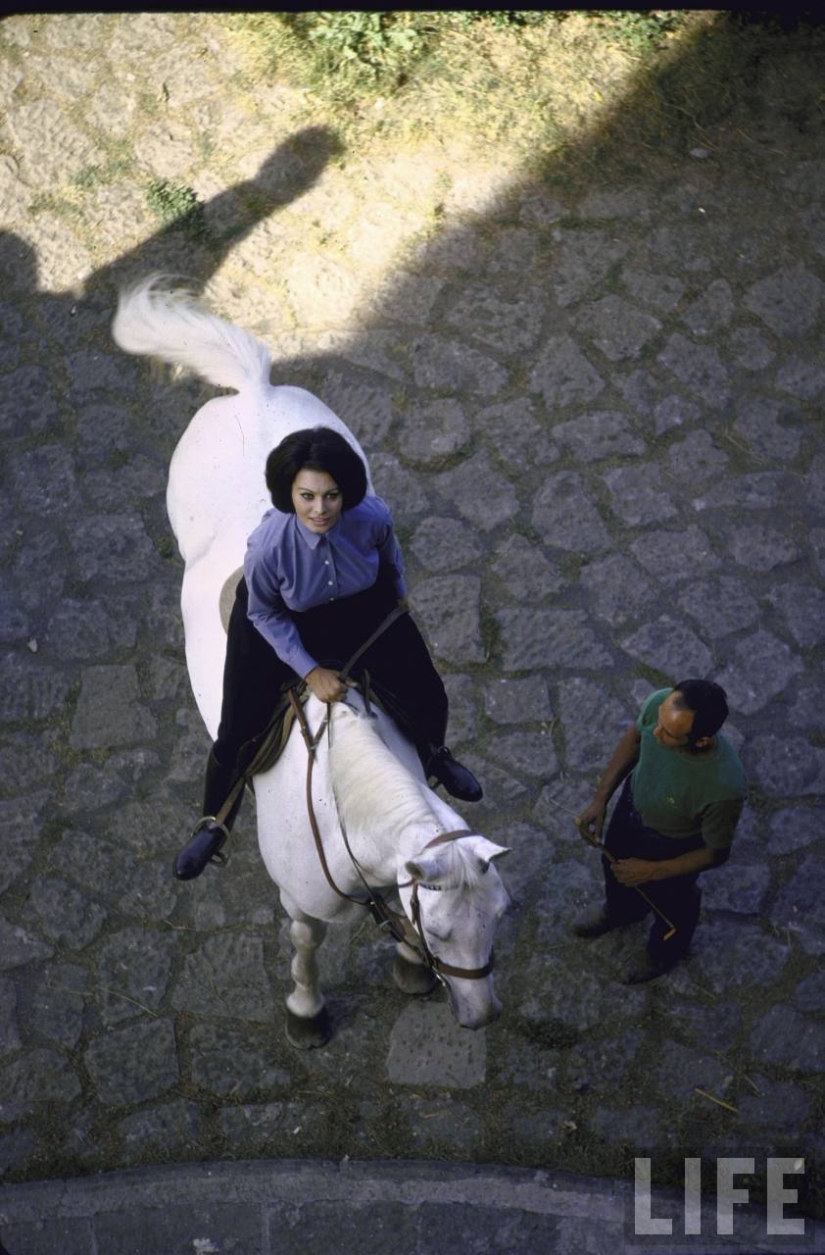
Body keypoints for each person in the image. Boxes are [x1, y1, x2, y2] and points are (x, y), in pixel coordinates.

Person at [174, 425, 482, 880]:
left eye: (332, 496)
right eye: (307, 496)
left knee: (428, 690)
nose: (320, 509)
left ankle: (434, 753)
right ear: (289, 493)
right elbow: (264, 614)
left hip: (359, 609)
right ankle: (214, 821)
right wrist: (311, 670)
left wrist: (398, 600)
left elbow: (389, 558)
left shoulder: (373, 517)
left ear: (346, 493)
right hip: (283, 619)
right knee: (238, 726)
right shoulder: (268, 549)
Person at [573, 679, 746, 984]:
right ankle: (622, 911)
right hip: (631, 808)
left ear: (701, 741)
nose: (657, 732)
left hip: (673, 845)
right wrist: (601, 799)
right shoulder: (661, 704)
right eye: (660, 721)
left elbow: (716, 853)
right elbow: (635, 738)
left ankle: (664, 952)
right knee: (613, 867)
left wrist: (653, 871)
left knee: (674, 905)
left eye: (669, 733)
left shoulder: (724, 788)